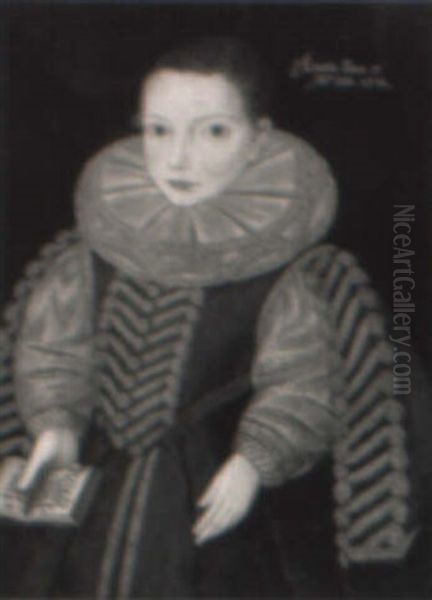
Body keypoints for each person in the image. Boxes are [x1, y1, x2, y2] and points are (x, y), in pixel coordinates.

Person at [5, 36, 344, 597]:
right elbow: (54, 348)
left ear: (259, 138)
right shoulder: (91, 253)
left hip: (211, 490)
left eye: (213, 131)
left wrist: (254, 462)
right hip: (93, 485)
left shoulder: (285, 271)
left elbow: (303, 379)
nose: (177, 158)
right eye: (158, 130)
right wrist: (56, 428)